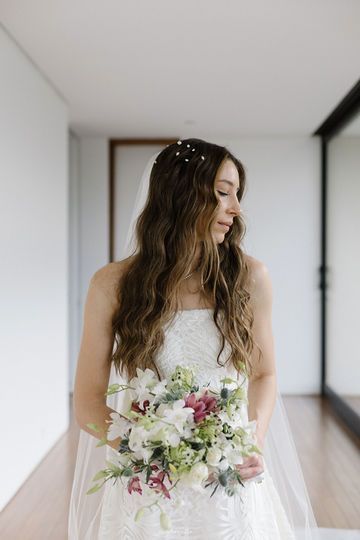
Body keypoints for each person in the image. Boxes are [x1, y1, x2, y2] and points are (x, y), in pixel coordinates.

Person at [68, 138, 322, 539]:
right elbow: (86, 401)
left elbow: (264, 374)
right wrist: (149, 451)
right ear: (180, 195)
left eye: (237, 194)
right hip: (149, 483)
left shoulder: (250, 278)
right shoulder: (112, 285)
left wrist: (250, 441)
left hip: (227, 473)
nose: (235, 208)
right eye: (223, 193)